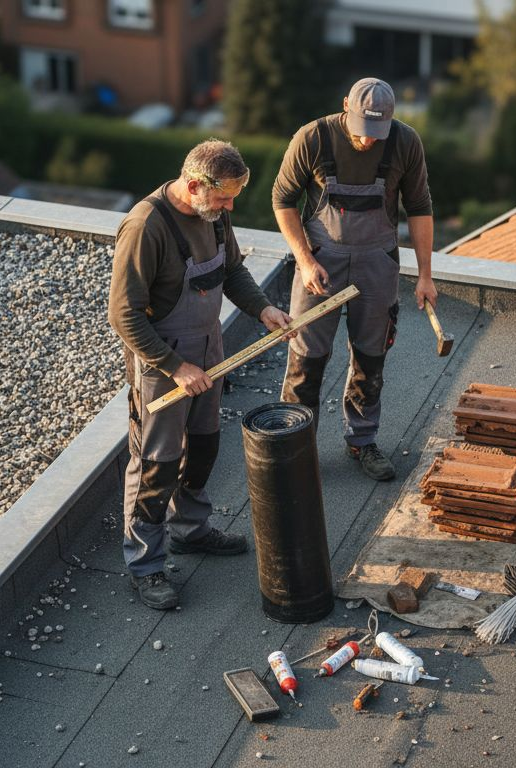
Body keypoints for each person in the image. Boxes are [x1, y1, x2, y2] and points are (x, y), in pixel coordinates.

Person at [109, 139, 293, 610]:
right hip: (161, 365)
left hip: (208, 352)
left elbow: (231, 272)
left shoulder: (214, 214)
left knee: (205, 447)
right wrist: (174, 367)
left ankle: (191, 532)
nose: (231, 206)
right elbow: (122, 316)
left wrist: (265, 308)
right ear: (193, 185)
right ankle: (145, 565)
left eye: (233, 197)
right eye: (224, 197)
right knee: (156, 465)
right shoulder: (146, 226)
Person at [272, 77, 436, 481]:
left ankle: (362, 441)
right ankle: (295, 446)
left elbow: (419, 207)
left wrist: (426, 276)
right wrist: (305, 260)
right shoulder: (313, 137)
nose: (367, 141)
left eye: (376, 133)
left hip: (376, 264)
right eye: (362, 131)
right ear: (346, 105)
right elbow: (282, 200)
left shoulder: (404, 143)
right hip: (320, 266)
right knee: (306, 359)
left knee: (370, 357)